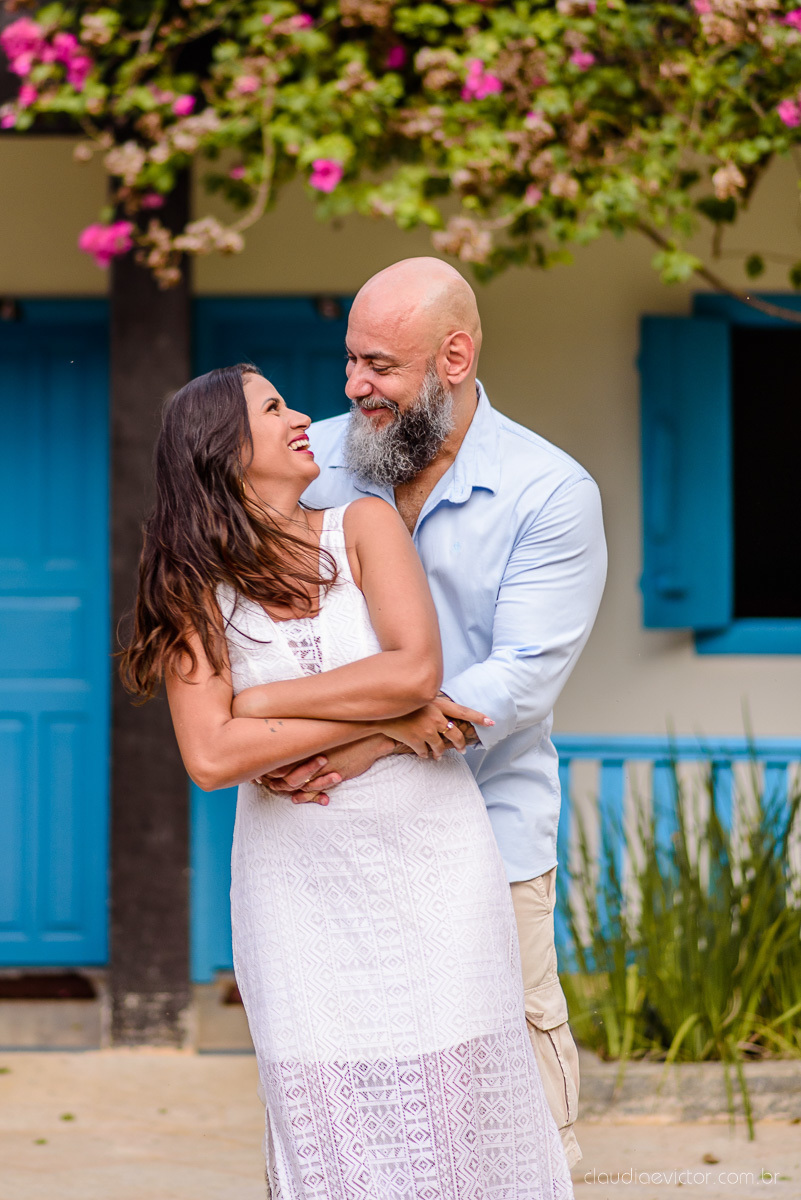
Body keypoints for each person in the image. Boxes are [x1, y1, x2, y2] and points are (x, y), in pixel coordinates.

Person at [120, 363, 574, 1198]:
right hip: (296, 885)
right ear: (224, 448)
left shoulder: (361, 526)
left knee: (460, 1102)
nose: (303, 416)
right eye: (273, 407)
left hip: (433, 857)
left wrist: (258, 699)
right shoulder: (194, 590)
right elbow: (213, 757)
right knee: (329, 1109)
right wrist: (382, 722)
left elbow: (415, 671)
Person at [266, 257, 608, 1169]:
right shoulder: (307, 469)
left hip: (490, 832)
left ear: (453, 356)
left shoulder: (549, 491)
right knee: (349, 1098)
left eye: (379, 366)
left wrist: (362, 742)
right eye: (349, 361)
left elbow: (522, 677)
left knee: (510, 1117)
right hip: (334, 841)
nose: (351, 388)